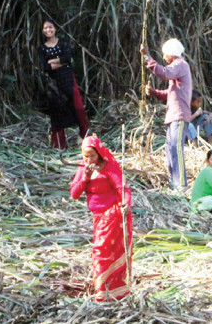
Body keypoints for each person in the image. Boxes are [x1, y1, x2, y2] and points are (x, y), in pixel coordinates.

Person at [69, 135, 133, 301]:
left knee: (101, 251)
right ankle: (104, 288)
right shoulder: (84, 168)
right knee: (100, 251)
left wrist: (126, 203)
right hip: (97, 217)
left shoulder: (109, 166)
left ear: (99, 153)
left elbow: (123, 188)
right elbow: (74, 193)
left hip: (112, 214)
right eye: (85, 155)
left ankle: (105, 291)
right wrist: (86, 177)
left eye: (92, 155)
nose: (89, 159)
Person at [140, 39, 192, 189]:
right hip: (173, 115)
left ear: (172, 53)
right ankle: (174, 181)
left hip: (179, 115)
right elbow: (169, 93)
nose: (164, 57)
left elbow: (164, 73)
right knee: (170, 149)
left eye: (165, 54)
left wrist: (146, 57)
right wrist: (154, 92)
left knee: (176, 148)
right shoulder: (178, 67)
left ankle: (181, 184)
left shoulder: (180, 64)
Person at [38, 20, 90, 148]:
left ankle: (87, 138)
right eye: (45, 28)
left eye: (50, 27)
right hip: (53, 83)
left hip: (68, 79)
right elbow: (45, 67)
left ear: (55, 28)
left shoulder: (63, 42)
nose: (48, 30)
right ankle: (59, 145)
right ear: (42, 31)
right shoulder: (42, 48)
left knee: (78, 107)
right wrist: (62, 63)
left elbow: (68, 58)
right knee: (56, 111)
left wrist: (54, 61)